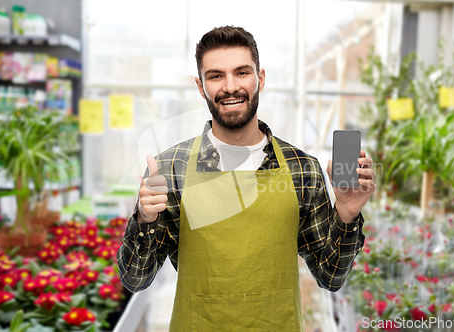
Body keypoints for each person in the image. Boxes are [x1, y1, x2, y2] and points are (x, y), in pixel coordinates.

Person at [117, 26, 375, 331]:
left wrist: (346, 214)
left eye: (242, 72)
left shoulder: (301, 168)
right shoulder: (170, 168)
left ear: (260, 79)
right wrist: (144, 220)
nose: (230, 87)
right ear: (201, 87)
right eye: (216, 76)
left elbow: (330, 276)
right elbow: (135, 278)